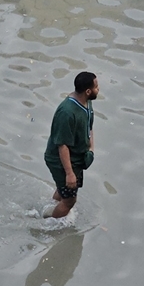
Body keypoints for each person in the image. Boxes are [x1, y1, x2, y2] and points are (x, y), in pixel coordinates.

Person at [43, 72, 98, 219]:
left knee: (64, 190)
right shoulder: (67, 113)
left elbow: (89, 124)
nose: (98, 90)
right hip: (62, 161)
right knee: (69, 201)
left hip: (77, 157)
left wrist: (90, 148)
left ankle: (50, 207)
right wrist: (69, 173)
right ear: (88, 91)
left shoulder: (86, 101)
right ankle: (49, 226)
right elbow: (62, 146)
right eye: (96, 87)